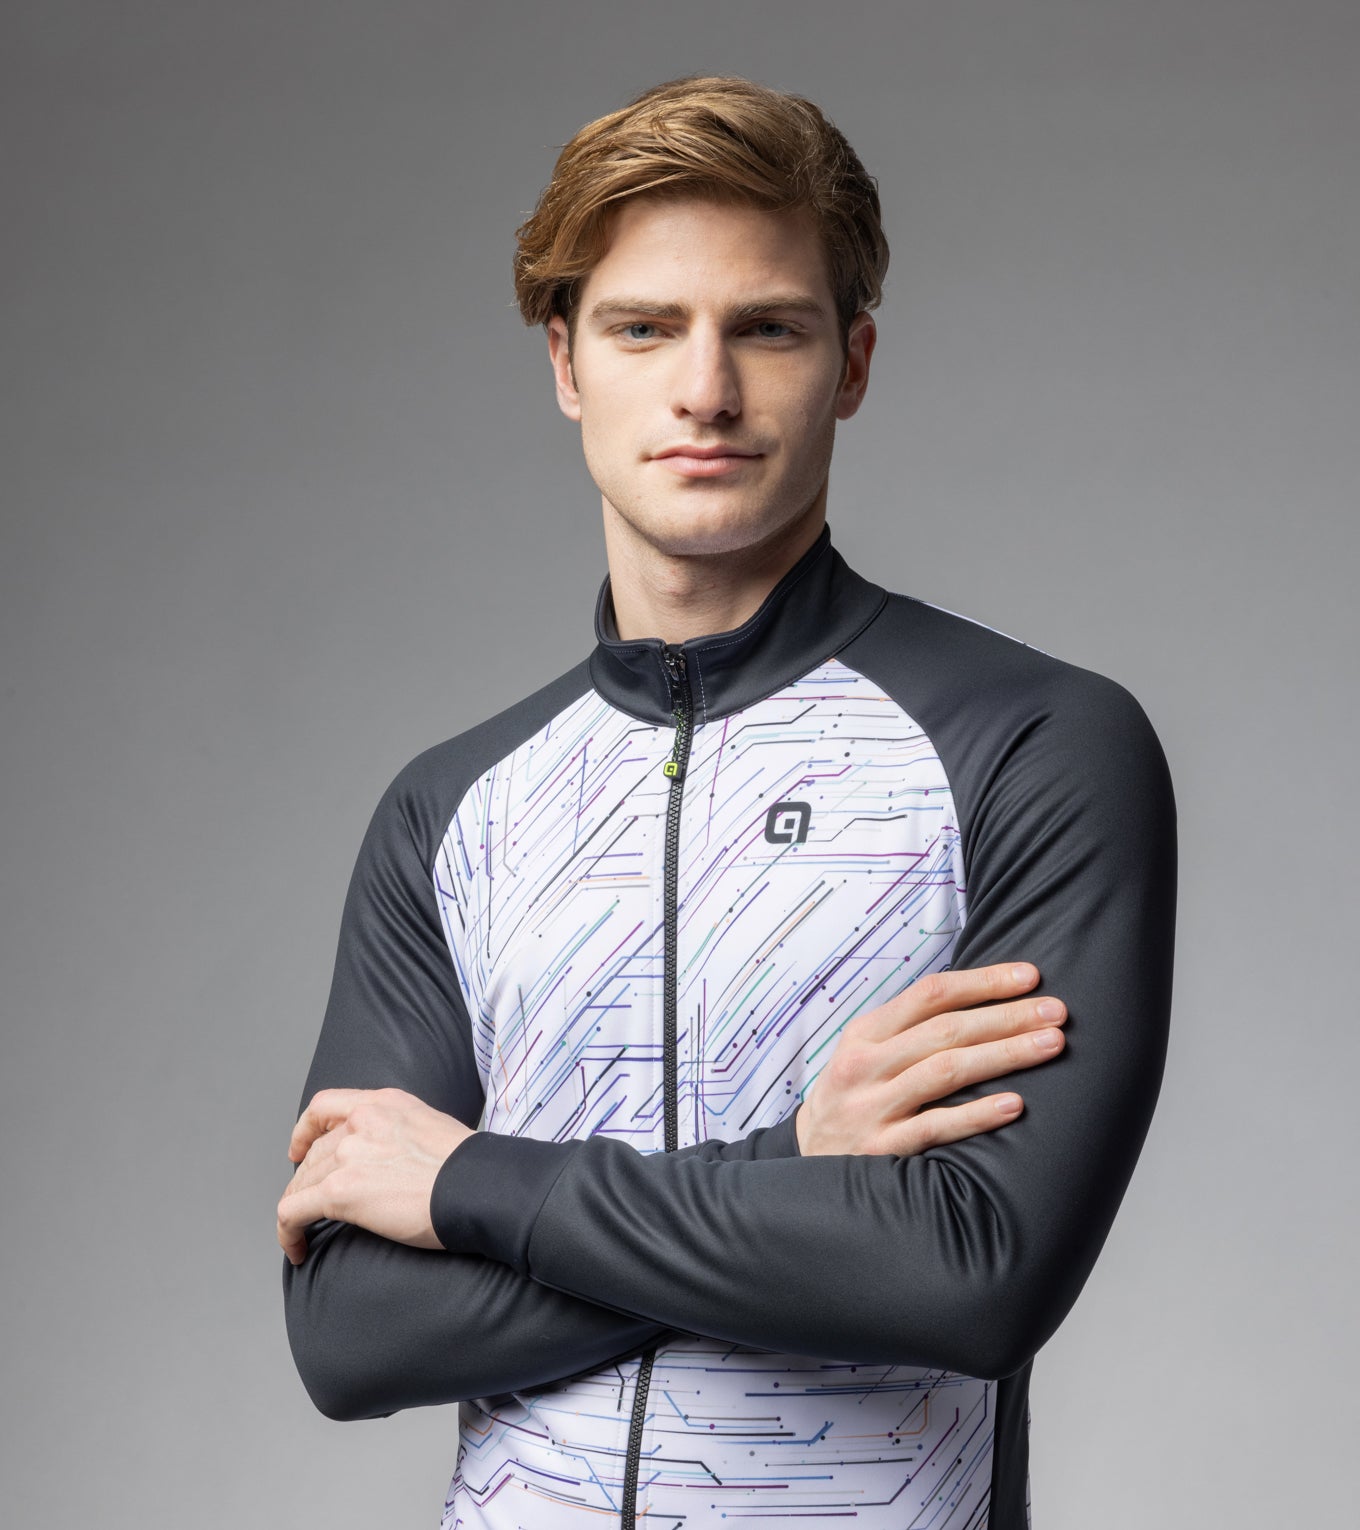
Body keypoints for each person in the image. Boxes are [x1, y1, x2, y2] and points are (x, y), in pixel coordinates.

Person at [278, 76, 1176, 1530]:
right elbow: (353, 1331)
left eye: (767, 327)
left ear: (853, 362)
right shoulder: (450, 811)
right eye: (645, 328)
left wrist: (469, 1187)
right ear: (567, 362)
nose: (706, 390)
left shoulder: (1032, 744)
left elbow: (971, 1271)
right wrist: (797, 1169)